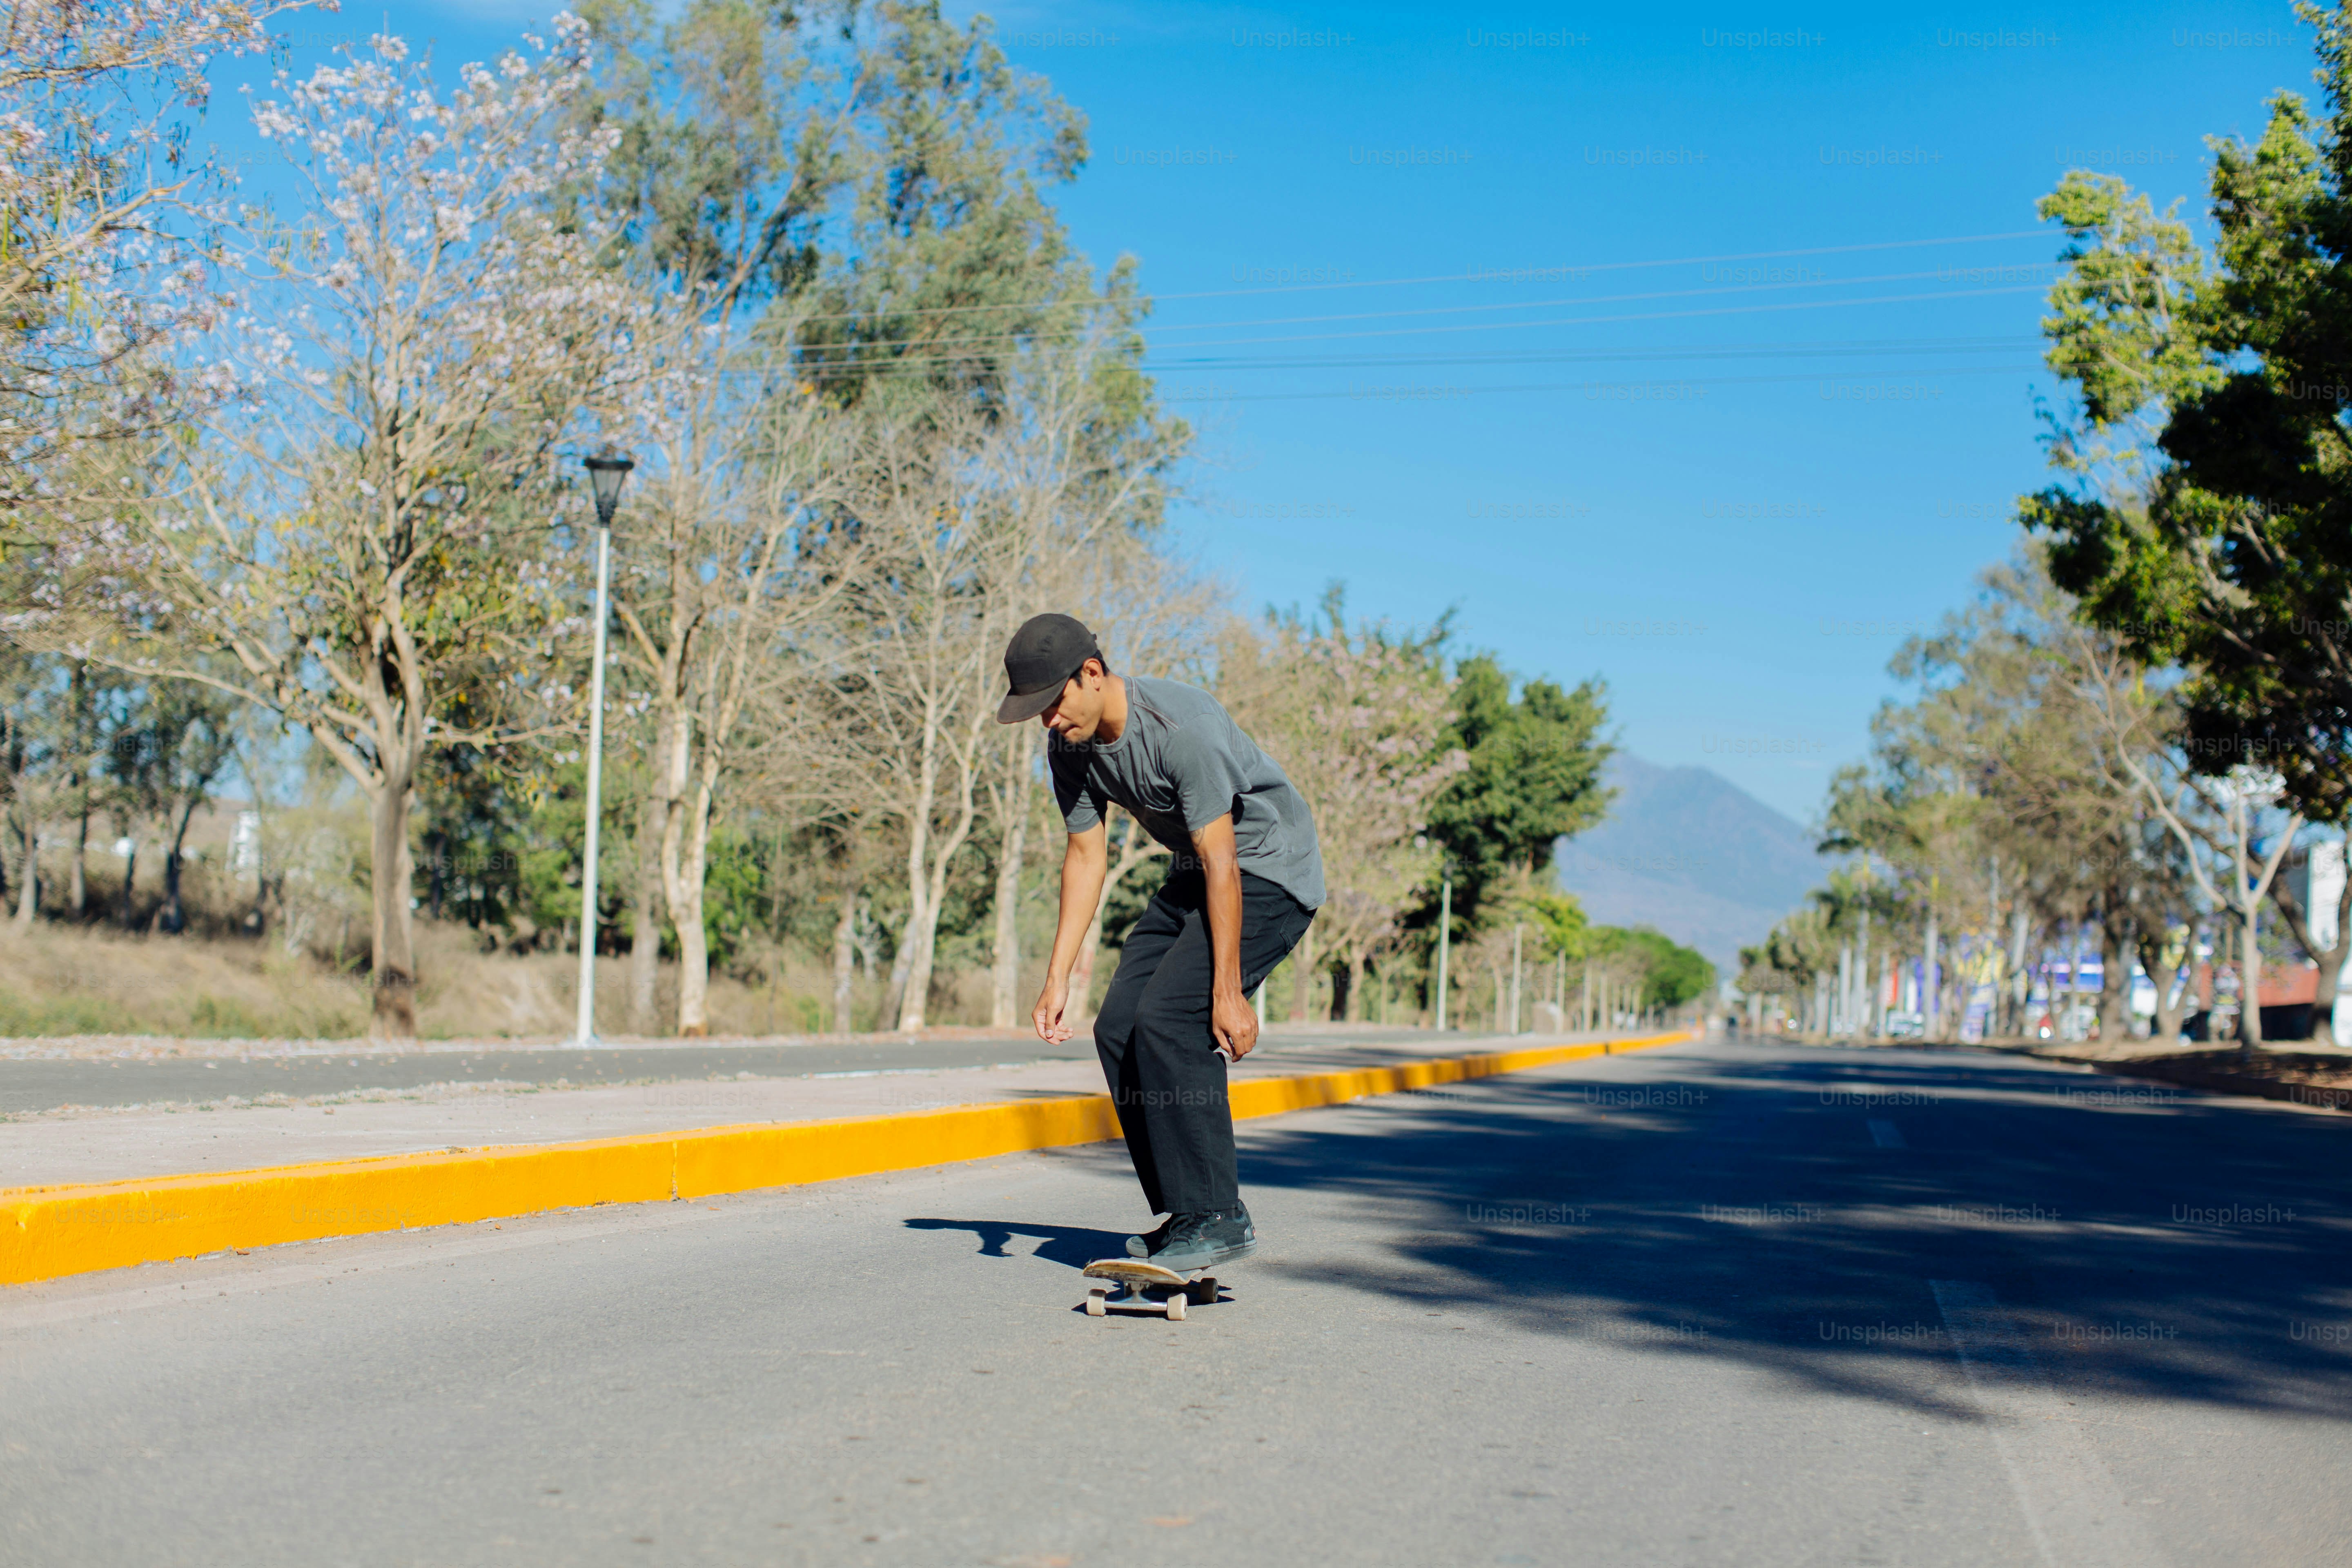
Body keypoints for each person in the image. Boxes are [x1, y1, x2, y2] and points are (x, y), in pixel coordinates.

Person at [1000, 612, 1323, 1270]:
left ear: (1092, 673)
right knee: (1119, 1027)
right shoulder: (1069, 749)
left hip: (1269, 871)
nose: (1049, 722)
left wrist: (1228, 992)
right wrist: (1057, 978)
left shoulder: (1182, 729)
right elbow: (1086, 857)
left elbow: (1224, 860)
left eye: (1054, 703)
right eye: (1037, 712)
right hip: (1198, 873)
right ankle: (1188, 1212)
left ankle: (1218, 1216)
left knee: (1171, 1019)